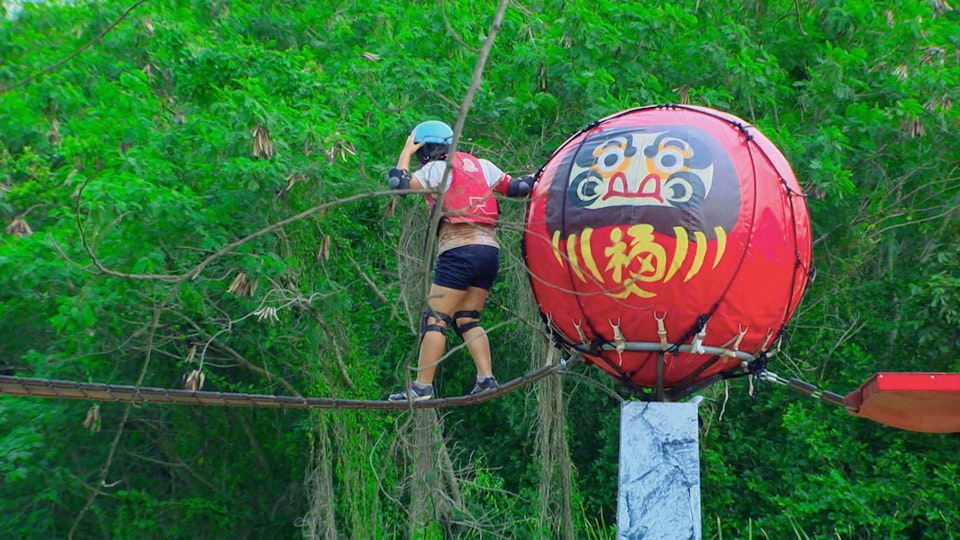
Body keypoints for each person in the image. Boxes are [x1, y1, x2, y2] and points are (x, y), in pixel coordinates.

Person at [386, 120, 533, 401]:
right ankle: (486, 378)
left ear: (426, 149)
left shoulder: (436, 170)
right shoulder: (483, 166)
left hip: (459, 250)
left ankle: (421, 387)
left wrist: (405, 151)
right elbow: (518, 187)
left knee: (435, 319)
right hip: (489, 251)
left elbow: (399, 185)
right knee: (466, 318)